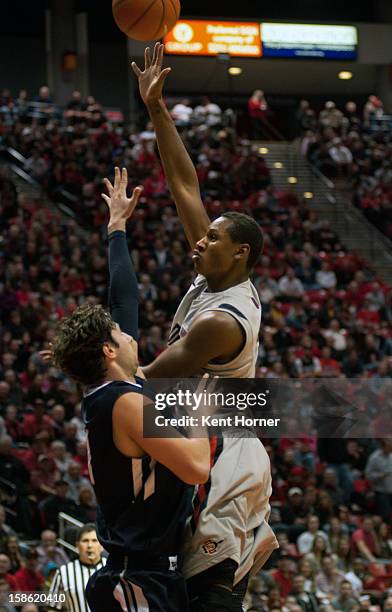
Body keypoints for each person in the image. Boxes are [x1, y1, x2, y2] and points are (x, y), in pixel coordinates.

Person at [130, 43, 278, 610]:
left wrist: (99, 364)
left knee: (207, 594)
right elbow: (185, 186)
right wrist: (157, 107)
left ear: (239, 253)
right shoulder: (213, 275)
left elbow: (152, 376)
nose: (201, 239)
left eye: (213, 238)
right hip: (206, 436)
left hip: (227, 453)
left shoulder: (222, 320)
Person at [52, 169, 211, 611]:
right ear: (107, 349)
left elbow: (124, 299)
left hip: (146, 572)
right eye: (119, 335)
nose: (130, 334)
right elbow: (196, 466)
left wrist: (116, 228)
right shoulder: (123, 402)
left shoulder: (121, 388)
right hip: (134, 580)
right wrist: (197, 401)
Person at [48, 524, 106, 612]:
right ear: (77, 546)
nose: (90, 545)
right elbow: (53, 607)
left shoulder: (113, 569)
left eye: (94, 540)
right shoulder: (63, 572)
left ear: (102, 546)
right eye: (85, 541)